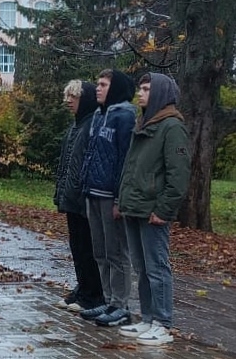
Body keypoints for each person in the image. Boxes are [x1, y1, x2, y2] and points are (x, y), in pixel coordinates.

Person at [117, 73, 190, 346]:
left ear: (160, 93)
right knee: (142, 267)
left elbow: (178, 177)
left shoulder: (172, 127)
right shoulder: (145, 124)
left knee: (157, 267)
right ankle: (148, 318)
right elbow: (132, 168)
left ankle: (163, 323)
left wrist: (164, 209)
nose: (140, 94)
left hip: (153, 212)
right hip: (135, 208)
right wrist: (123, 201)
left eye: (146, 89)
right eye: (140, 88)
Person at [79, 68, 136, 327]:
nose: (97, 89)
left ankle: (120, 305)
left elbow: (125, 160)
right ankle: (107, 298)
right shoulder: (99, 116)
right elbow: (91, 154)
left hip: (110, 196)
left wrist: (119, 199)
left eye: (103, 85)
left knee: (116, 252)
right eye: (97, 84)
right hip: (93, 192)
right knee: (99, 251)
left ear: (114, 89)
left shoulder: (124, 117)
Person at [54, 80, 105, 312]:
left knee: (88, 247)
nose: (68, 101)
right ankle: (83, 287)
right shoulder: (76, 126)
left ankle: (93, 293)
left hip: (84, 198)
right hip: (72, 197)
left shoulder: (91, 125)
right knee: (77, 246)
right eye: (67, 96)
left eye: (73, 96)